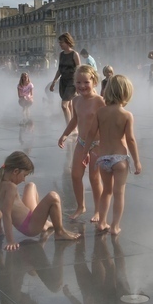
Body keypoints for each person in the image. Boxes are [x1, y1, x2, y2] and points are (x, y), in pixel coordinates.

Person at [83, 74, 141, 236]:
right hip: (120, 159)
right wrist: (137, 161)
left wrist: (85, 152)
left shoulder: (100, 113)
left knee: (106, 191)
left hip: (103, 158)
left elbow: (90, 134)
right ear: (126, 93)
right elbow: (130, 139)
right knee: (119, 193)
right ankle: (115, 226)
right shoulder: (126, 115)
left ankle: (101, 222)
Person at [0, 151, 81, 250]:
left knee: (31, 186)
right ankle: (59, 232)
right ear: (16, 171)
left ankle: (44, 223)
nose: (23, 180)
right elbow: (6, 214)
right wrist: (10, 241)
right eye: (24, 175)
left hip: (29, 217)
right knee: (53, 196)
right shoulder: (11, 188)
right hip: (30, 227)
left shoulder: (0, 184)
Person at [58, 65, 105, 222]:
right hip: (82, 142)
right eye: (78, 82)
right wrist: (65, 134)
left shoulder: (99, 101)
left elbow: (107, 121)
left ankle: (98, 210)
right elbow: (75, 120)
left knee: (94, 177)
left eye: (86, 82)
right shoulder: (76, 100)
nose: (82, 86)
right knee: (75, 175)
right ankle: (81, 206)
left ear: (94, 81)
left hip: (97, 144)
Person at [50, 33, 81, 125]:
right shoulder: (61, 54)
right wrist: (54, 81)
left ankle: (69, 127)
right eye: (59, 42)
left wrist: (79, 84)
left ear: (67, 42)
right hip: (63, 81)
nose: (60, 44)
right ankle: (74, 127)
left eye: (61, 42)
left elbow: (79, 70)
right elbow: (60, 69)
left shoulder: (74, 54)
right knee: (69, 105)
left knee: (64, 106)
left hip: (72, 82)